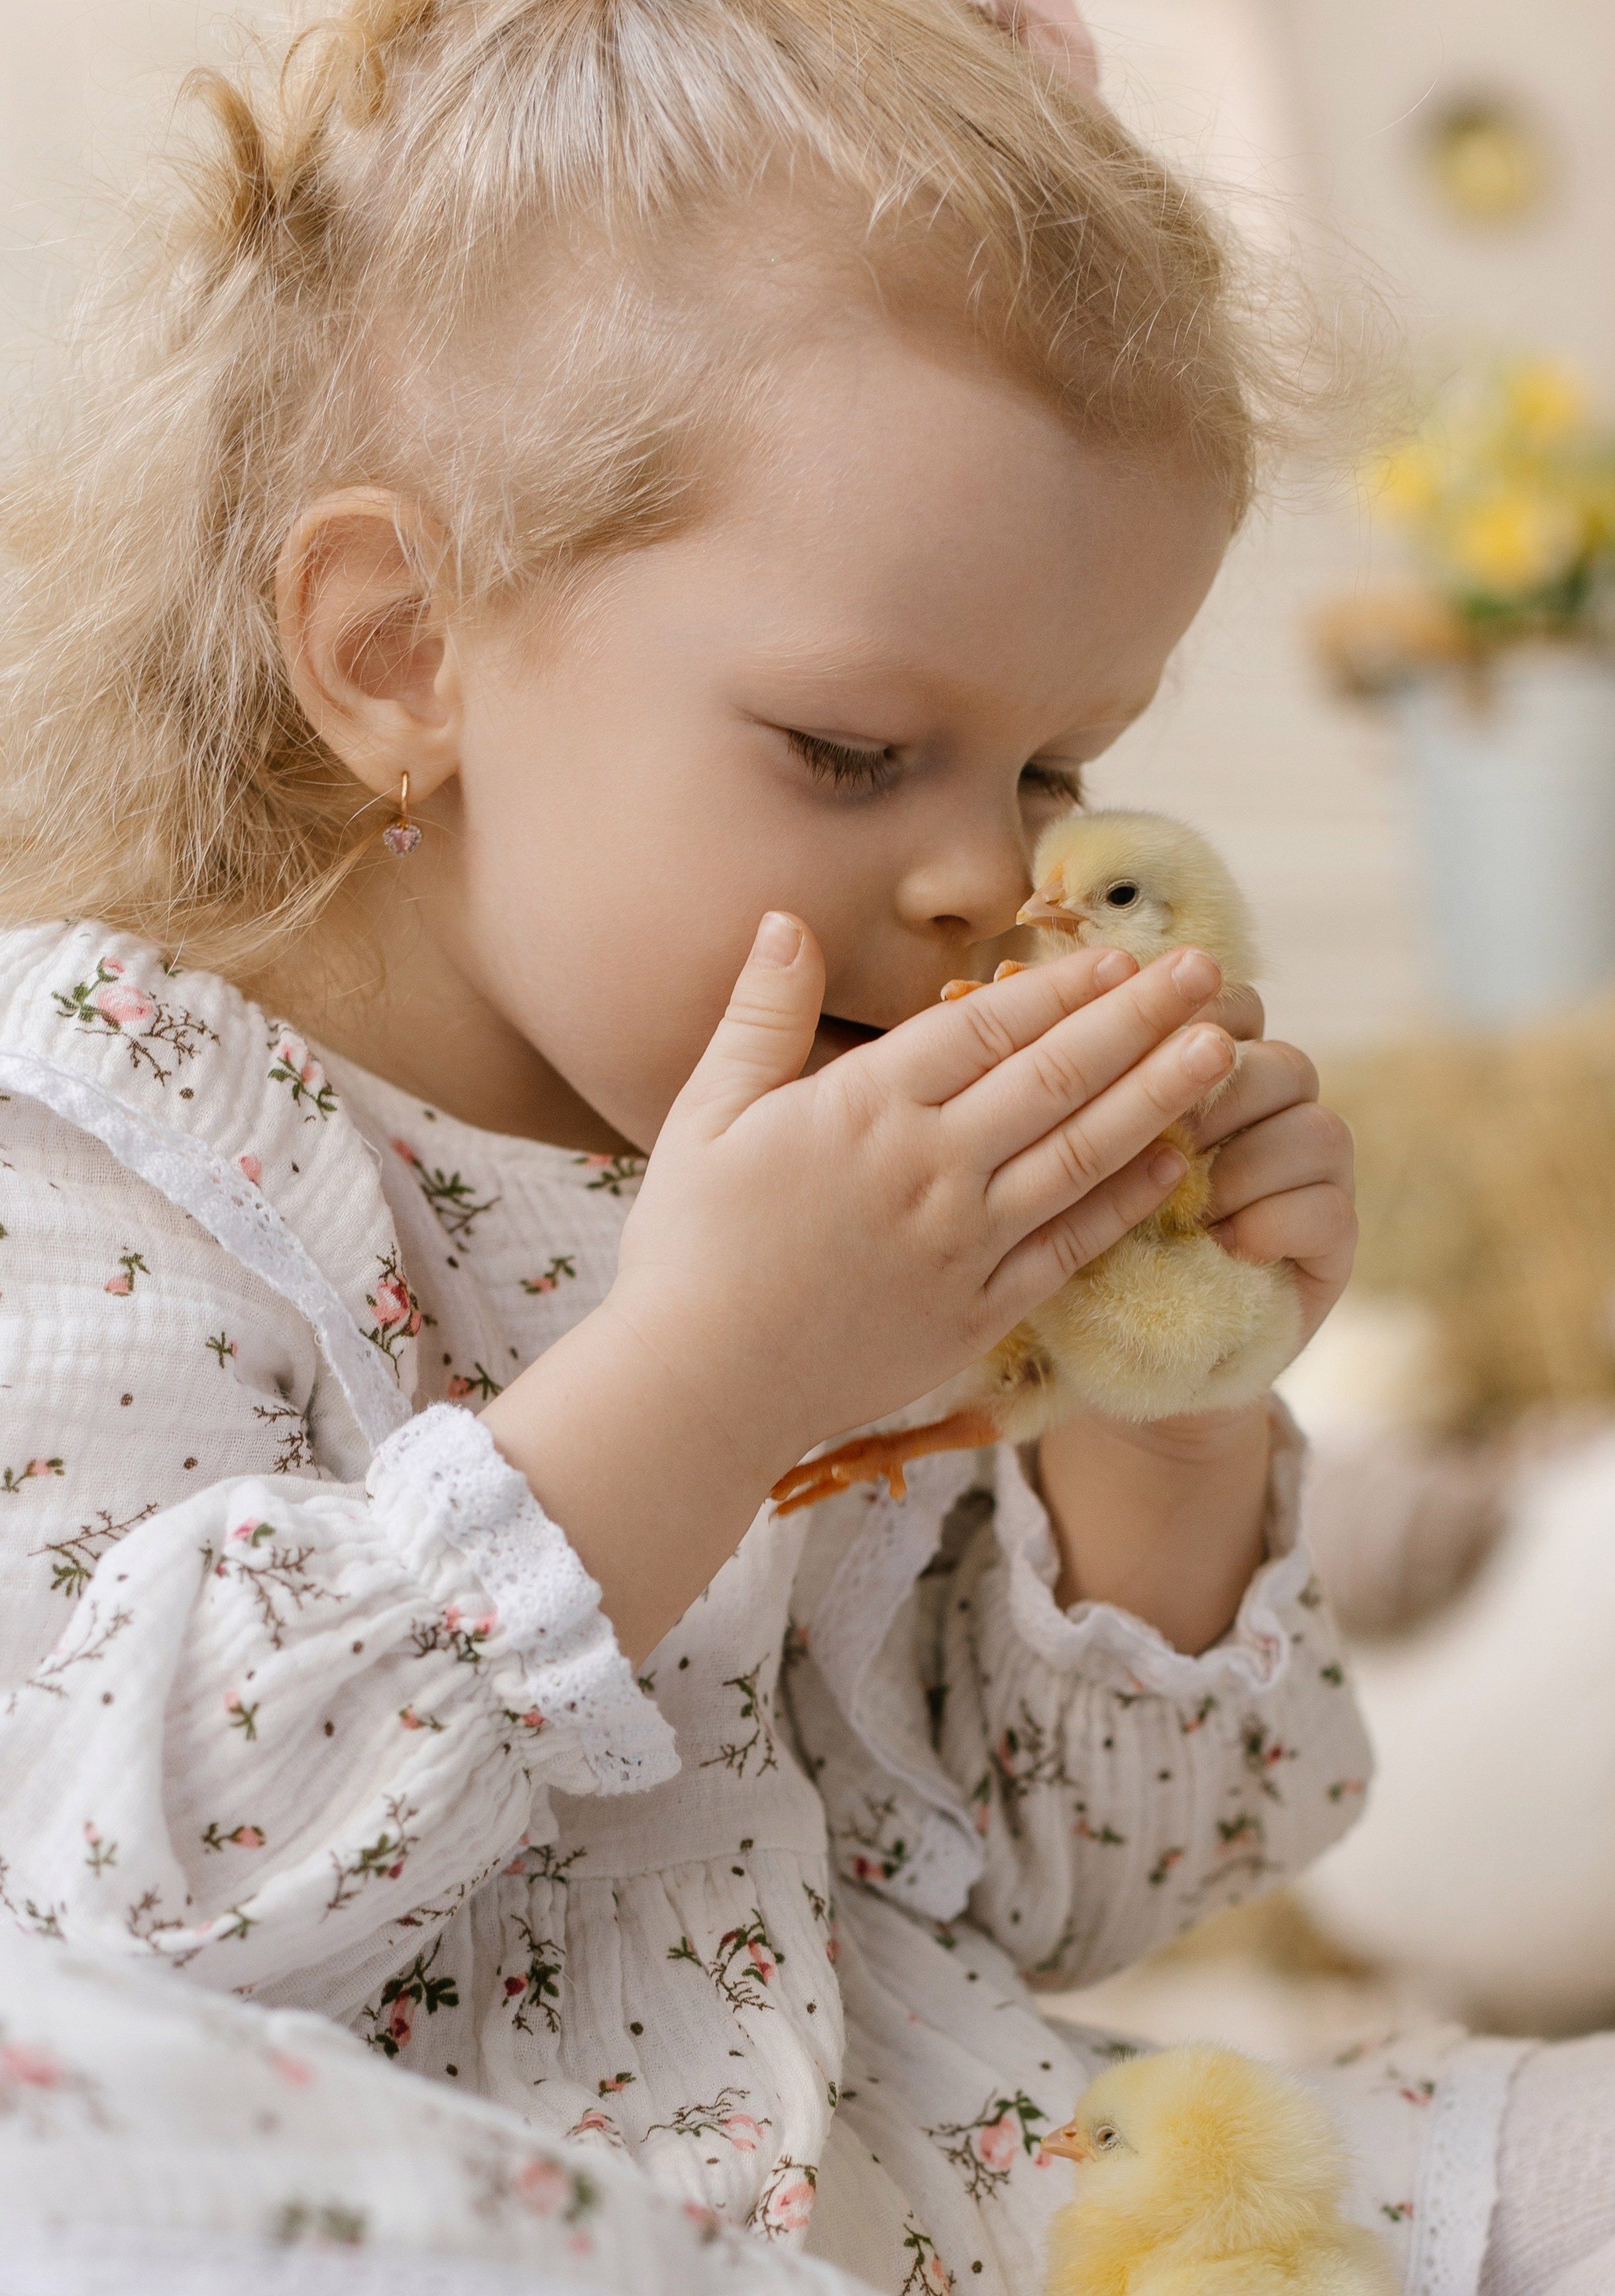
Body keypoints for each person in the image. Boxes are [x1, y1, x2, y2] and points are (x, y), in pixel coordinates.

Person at [0, 3, 1603, 2292]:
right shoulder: (103, 1145)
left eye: (1055, 772)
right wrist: (708, 1384)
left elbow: (1078, 1897)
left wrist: (1170, 1417)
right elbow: (95, 1909)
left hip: (944, 2194)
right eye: (856, 752)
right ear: (397, 647)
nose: (987, 882)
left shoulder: (852, 1166)